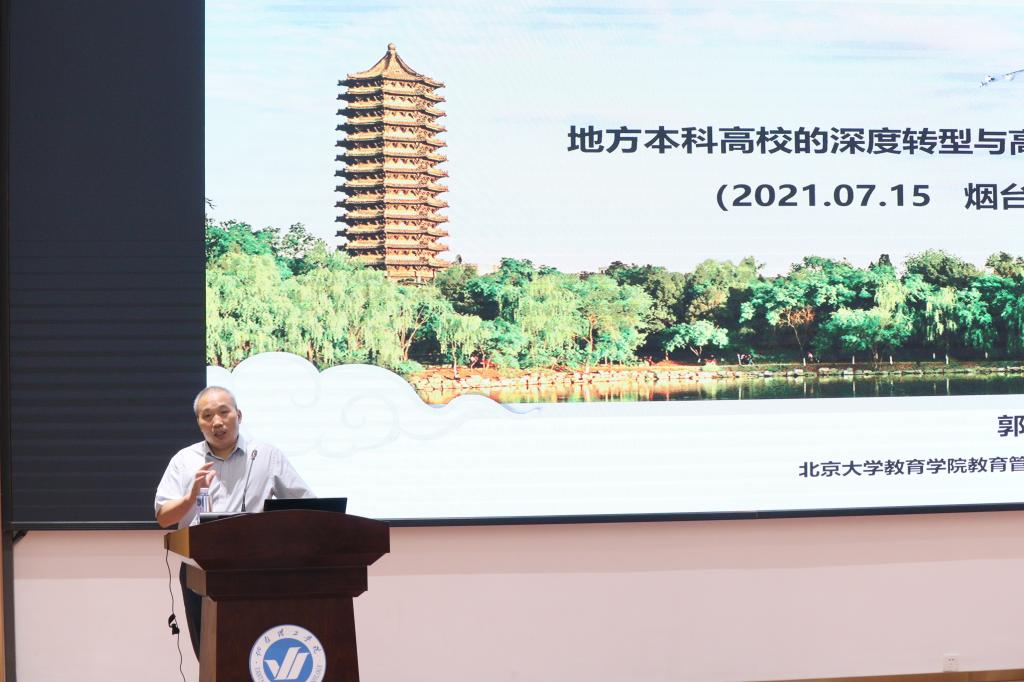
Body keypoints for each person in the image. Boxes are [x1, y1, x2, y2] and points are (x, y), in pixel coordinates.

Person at [154, 386, 314, 658]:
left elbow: (306, 505)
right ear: (199, 422)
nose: (217, 422)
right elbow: (163, 517)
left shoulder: (266, 456)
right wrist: (191, 496)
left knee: (259, 652)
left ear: (238, 415)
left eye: (223, 412)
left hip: (257, 569)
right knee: (209, 655)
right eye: (207, 416)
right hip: (199, 570)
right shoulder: (184, 460)